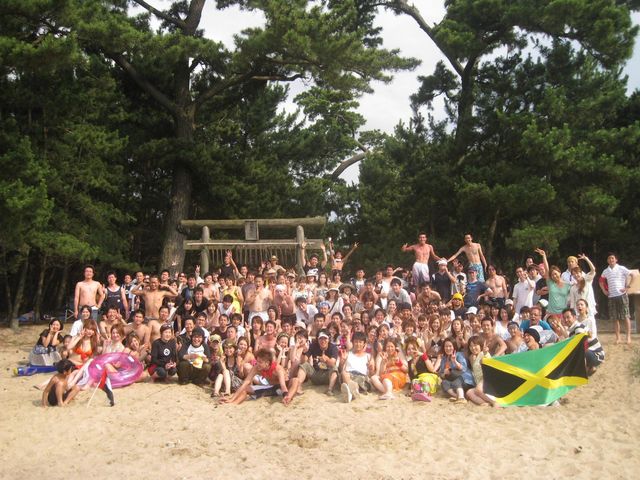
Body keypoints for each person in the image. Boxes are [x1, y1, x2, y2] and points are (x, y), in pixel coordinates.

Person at [220, 349, 289, 405]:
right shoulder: (256, 368)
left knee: (293, 381)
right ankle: (233, 403)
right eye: (257, 361)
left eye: (260, 362)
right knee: (245, 388)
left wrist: (285, 395)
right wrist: (231, 398)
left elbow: (283, 386)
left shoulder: (277, 369)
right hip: (270, 387)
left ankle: (233, 403)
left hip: (280, 389)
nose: (257, 364)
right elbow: (245, 383)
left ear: (267, 363)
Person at [285, 330, 339, 401]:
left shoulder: (333, 348)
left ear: (328, 339)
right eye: (320, 338)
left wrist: (326, 360)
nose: (323, 341)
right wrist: (304, 352)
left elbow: (333, 363)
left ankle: (330, 389)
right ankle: (298, 386)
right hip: (315, 374)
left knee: (334, 367)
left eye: (325, 338)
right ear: (317, 339)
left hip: (328, 375)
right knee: (304, 365)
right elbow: (303, 361)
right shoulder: (313, 346)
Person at [600, 253, 634, 344]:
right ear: (607, 260)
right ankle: (618, 338)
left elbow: (633, 275)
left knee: (626, 316)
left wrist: (627, 287)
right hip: (611, 296)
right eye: (609, 258)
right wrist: (604, 290)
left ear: (616, 260)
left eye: (612, 258)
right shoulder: (606, 271)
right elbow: (601, 281)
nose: (611, 260)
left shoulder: (621, 268)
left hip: (622, 295)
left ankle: (628, 337)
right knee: (615, 318)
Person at [560, 308, 605, 375]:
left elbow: (579, 346)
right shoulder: (574, 328)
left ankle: (585, 370)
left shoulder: (578, 328)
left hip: (596, 355)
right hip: (594, 354)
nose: (566, 320)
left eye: (568, 317)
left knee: (577, 350)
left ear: (574, 317)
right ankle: (590, 367)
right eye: (564, 318)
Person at [435, 337, 474, 403]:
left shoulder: (459, 354)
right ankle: (456, 396)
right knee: (444, 383)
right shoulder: (444, 358)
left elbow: (463, 368)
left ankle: (461, 397)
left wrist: (455, 361)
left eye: (450, 346)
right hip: (452, 380)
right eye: (446, 346)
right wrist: (444, 374)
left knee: (457, 381)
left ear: (454, 347)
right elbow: (441, 374)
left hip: (465, 379)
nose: (448, 348)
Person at [339, 331, 374, 402]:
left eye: (360, 342)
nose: (358, 344)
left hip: (362, 378)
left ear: (364, 344)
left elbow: (371, 375)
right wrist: (342, 362)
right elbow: (340, 369)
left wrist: (370, 369)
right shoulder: (348, 354)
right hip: (349, 376)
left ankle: (350, 392)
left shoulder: (369, 356)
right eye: (356, 342)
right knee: (344, 373)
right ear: (353, 342)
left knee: (357, 380)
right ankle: (352, 391)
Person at [465, 336, 494, 406]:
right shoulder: (472, 357)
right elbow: (474, 371)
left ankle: (493, 402)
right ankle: (485, 403)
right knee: (469, 392)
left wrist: (485, 353)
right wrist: (472, 360)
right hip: (478, 382)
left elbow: (488, 364)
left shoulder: (484, 354)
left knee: (478, 390)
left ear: (480, 345)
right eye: (471, 346)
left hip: (486, 379)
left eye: (475, 345)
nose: (473, 348)